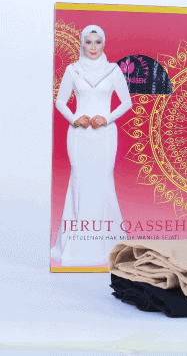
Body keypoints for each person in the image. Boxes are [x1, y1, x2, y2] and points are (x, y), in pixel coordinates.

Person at [51, 25, 133, 266]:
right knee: (79, 182)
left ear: (104, 43)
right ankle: (73, 247)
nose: (93, 47)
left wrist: (106, 118)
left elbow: (126, 102)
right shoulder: (73, 69)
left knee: (103, 182)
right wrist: (75, 118)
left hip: (105, 136)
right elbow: (60, 102)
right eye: (88, 42)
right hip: (79, 136)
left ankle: (107, 246)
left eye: (98, 42)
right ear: (82, 44)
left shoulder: (113, 70)